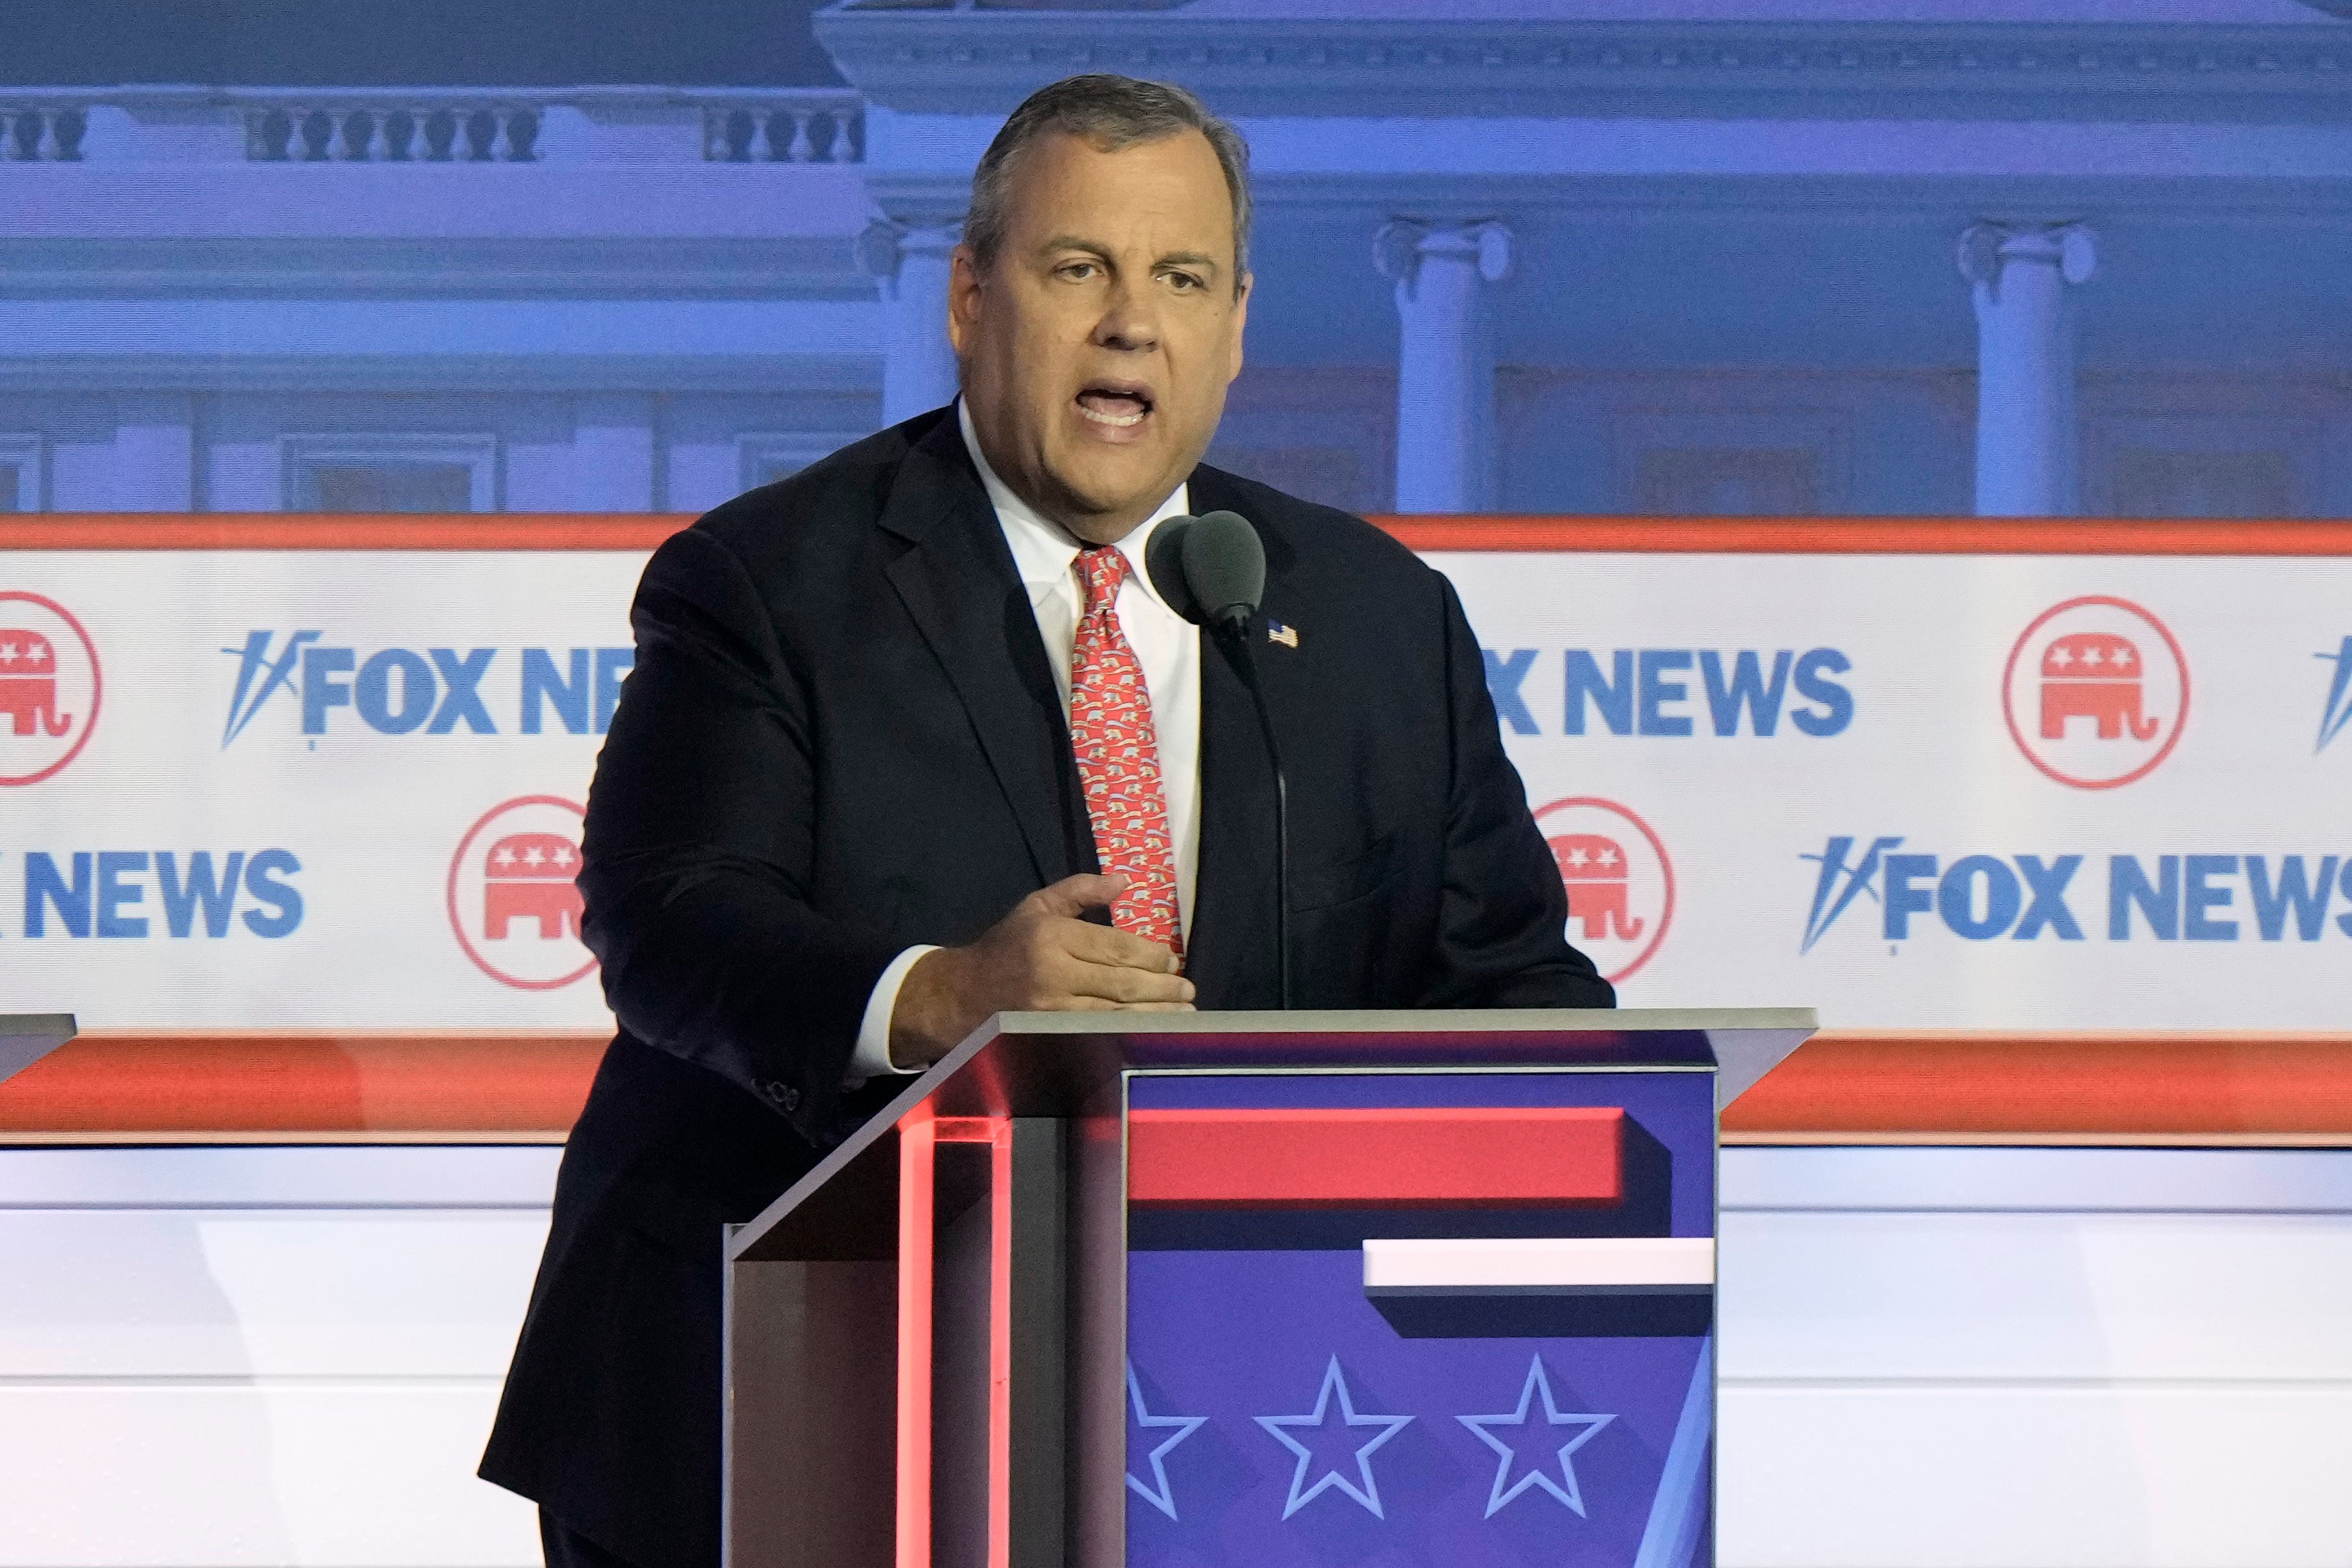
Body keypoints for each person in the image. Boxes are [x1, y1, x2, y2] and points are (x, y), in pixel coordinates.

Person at [480, 72, 1611, 1568]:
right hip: (779, 1395)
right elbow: (671, 915)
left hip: (1237, 1419)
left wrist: (1608, 1117)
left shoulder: (1373, 618)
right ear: (968, 293)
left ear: (1236, 325)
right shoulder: (771, 580)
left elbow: (1511, 987)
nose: (1130, 321)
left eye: (1181, 278)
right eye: (1078, 267)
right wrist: (943, 993)